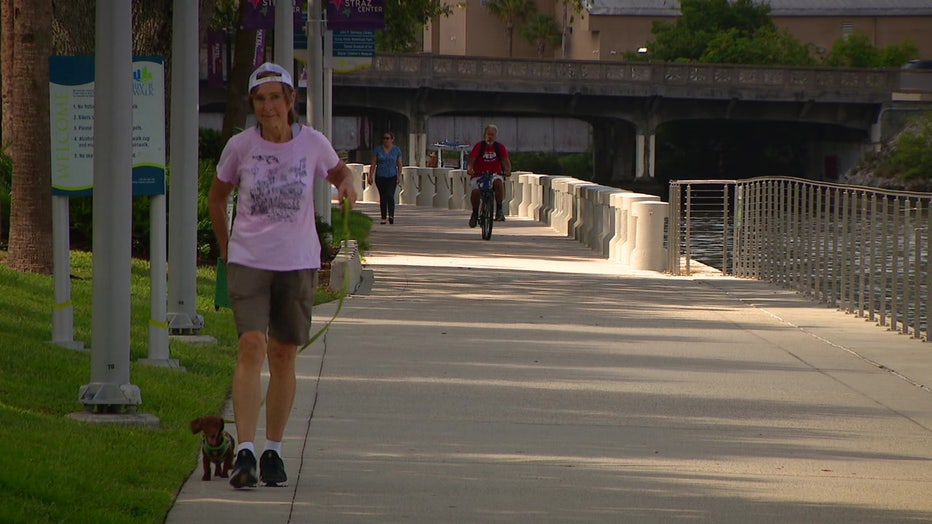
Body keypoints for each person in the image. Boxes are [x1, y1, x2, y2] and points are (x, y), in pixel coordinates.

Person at [207, 62, 357, 489]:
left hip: (298, 262)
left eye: (276, 97)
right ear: (253, 105)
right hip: (250, 262)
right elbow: (217, 199)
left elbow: (338, 172)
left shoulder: (312, 143)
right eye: (260, 99)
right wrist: (226, 248)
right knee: (251, 346)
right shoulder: (240, 146)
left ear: (291, 101)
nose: (269, 106)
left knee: (284, 354)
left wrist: (346, 183)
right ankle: (246, 453)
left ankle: (273, 449)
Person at [466, 124, 511, 227]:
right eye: (488, 134)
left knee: (498, 182)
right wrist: (470, 169)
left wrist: (508, 170)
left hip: (494, 174)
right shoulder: (479, 146)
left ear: (496, 136)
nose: (490, 137)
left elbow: (505, 161)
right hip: (479, 175)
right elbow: (472, 160)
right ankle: (475, 213)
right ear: (484, 135)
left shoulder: (499, 147)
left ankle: (499, 210)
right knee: (476, 192)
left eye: (492, 135)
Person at [367, 130, 403, 224]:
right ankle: (383, 217)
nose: (385, 140)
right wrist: (370, 175)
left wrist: (399, 176)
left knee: (390, 195)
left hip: (392, 176)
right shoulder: (378, 150)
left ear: (392, 139)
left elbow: (399, 164)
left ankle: (391, 215)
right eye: (384, 138)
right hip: (380, 176)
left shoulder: (396, 150)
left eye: (387, 138)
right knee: (383, 197)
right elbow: (374, 163)